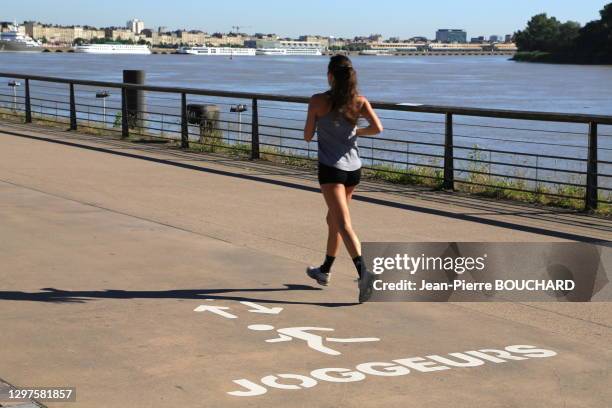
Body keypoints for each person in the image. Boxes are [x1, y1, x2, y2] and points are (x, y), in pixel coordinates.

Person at [303, 55, 383, 303]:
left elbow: (307, 136)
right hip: (353, 169)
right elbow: (378, 128)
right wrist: (354, 131)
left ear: (330, 75)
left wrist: (323, 127)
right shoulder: (359, 101)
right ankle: (325, 270)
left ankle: (364, 273)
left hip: (331, 170)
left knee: (344, 223)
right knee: (333, 219)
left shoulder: (317, 100)